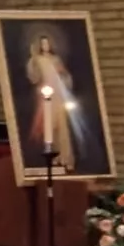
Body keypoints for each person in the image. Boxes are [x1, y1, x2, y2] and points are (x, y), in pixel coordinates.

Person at [25, 35, 78, 171]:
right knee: (49, 126)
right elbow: (34, 78)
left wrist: (63, 77)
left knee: (62, 127)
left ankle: (65, 157)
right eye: (43, 44)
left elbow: (65, 76)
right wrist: (33, 60)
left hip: (58, 96)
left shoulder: (55, 60)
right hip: (46, 96)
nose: (45, 46)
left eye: (47, 44)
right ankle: (53, 157)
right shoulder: (38, 60)